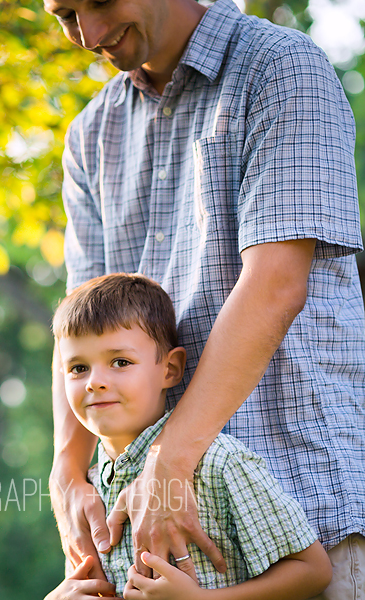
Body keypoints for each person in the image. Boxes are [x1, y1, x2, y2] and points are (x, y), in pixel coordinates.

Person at [41, 0, 365, 598]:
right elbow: (76, 329)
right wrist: (68, 470)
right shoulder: (91, 134)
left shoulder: (282, 69)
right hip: (157, 528)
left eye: (100, 2)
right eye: (64, 14)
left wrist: (169, 463)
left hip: (303, 507)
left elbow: (276, 285)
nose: (87, 35)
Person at [45, 273, 331, 599]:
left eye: (120, 362)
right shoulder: (89, 491)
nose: (95, 382)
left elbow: (313, 571)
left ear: (170, 369)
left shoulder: (218, 463)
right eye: (78, 368)